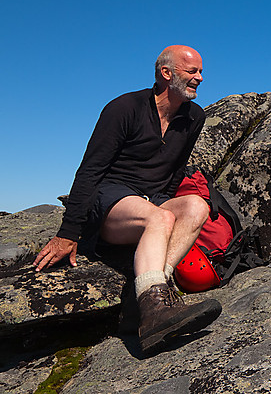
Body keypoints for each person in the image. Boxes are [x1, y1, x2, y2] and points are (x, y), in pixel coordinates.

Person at [33, 45, 221, 354]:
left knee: (196, 206)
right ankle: (156, 310)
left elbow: (175, 171)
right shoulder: (124, 108)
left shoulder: (194, 117)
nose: (200, 77)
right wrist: (69, 233)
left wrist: (165, 208)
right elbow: (90, 170)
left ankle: (151, 294)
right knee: (159, 218)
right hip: (111, 201)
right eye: (193, 71)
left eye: (200, 71)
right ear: (166, 73)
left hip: (153, 200)